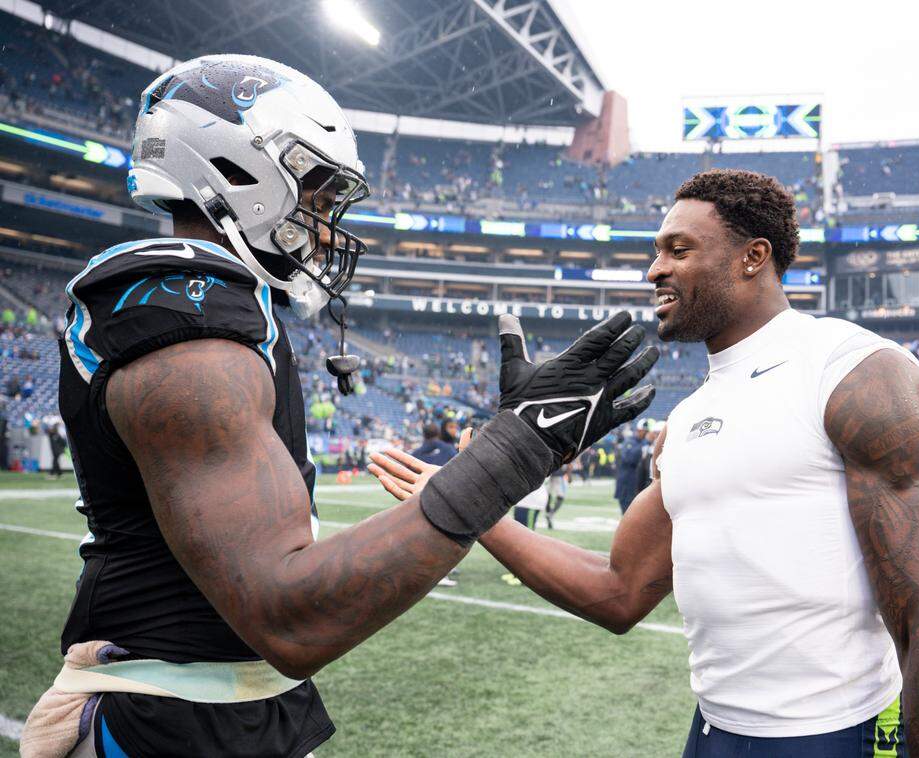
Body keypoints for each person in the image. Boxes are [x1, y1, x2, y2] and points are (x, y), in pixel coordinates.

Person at [23, 55, 656, 758]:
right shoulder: (188, 336)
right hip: (162, 719)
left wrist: (508, 447)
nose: (325, 228)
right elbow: (288, 618)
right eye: (317, 200)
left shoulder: (226, 316)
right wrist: (514, 451)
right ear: (240, 172)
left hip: (217, 703)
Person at [379, 170, 919, 756]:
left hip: (835, 732)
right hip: (713, 731)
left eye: (678, 250)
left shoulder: (852, 371)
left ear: (753, 257)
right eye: (657, 252)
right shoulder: (690, 417)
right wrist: (475, 502)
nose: (654, 270)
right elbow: (618, 591)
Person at [614, 426, 644, 514]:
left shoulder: (642, 443)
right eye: (644, 431)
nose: (644, 434)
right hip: (627, 481)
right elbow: (628, 459)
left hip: (637, 481)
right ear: (639, 431)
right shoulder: (630, 442)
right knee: (626, 506)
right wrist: (641, 448)